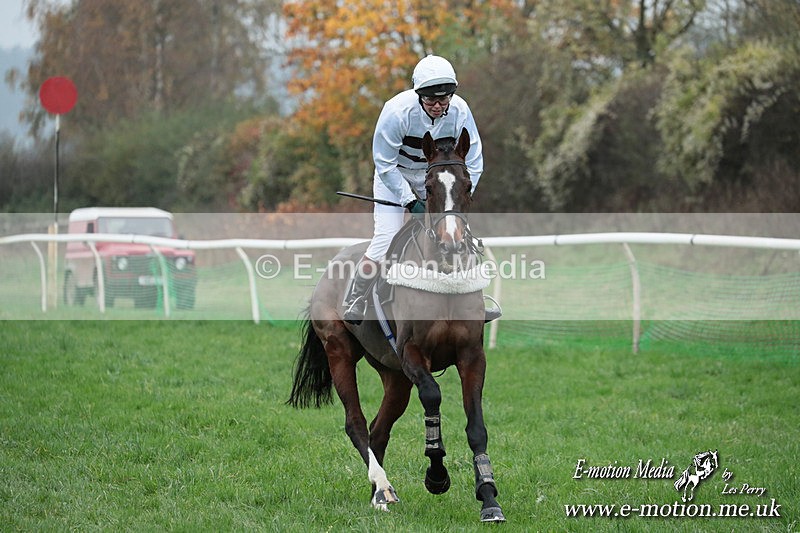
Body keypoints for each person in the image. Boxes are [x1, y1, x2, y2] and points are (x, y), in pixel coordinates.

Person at [343, 54, 498, 324]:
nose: (438, 106)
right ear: (419, 96)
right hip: (395, 176)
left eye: (444, 99)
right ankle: (356, 297)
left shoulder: (460, 110)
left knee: (459, 231)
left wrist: (461, 197)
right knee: (386, 237)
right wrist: (409, 200)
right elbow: (384, 164)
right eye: (430, 100)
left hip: (440, 178)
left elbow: (474, 160)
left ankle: (478, 300)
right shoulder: (396, 113)